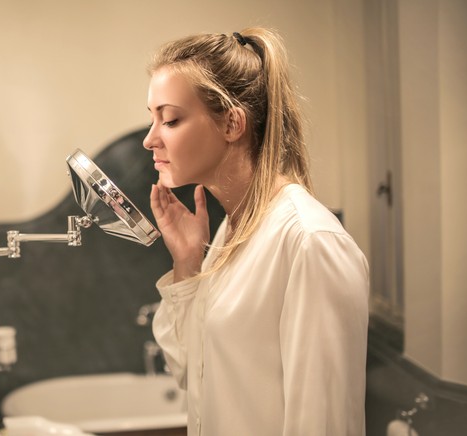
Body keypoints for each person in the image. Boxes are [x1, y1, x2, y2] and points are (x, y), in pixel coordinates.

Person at [142, 27, 369, 436]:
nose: (149, 139)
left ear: (232, 123)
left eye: (170, 119)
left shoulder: (310, 242)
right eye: (152, 118)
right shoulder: (230, 231)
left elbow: (321, 424)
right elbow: (193, 372)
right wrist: (187, 263)